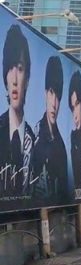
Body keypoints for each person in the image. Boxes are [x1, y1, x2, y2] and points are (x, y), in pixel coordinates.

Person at [0, 24, 35, 197]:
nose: (14, 79)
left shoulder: (34, 141)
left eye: (20, 69)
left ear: (27, 78)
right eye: (10, 69)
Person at [31, 56, 70, 200]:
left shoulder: (61, 145)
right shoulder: (35, 135)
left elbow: (64, 191)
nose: (54, 103)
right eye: (51, 93)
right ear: (45, 93)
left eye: (58, 97)